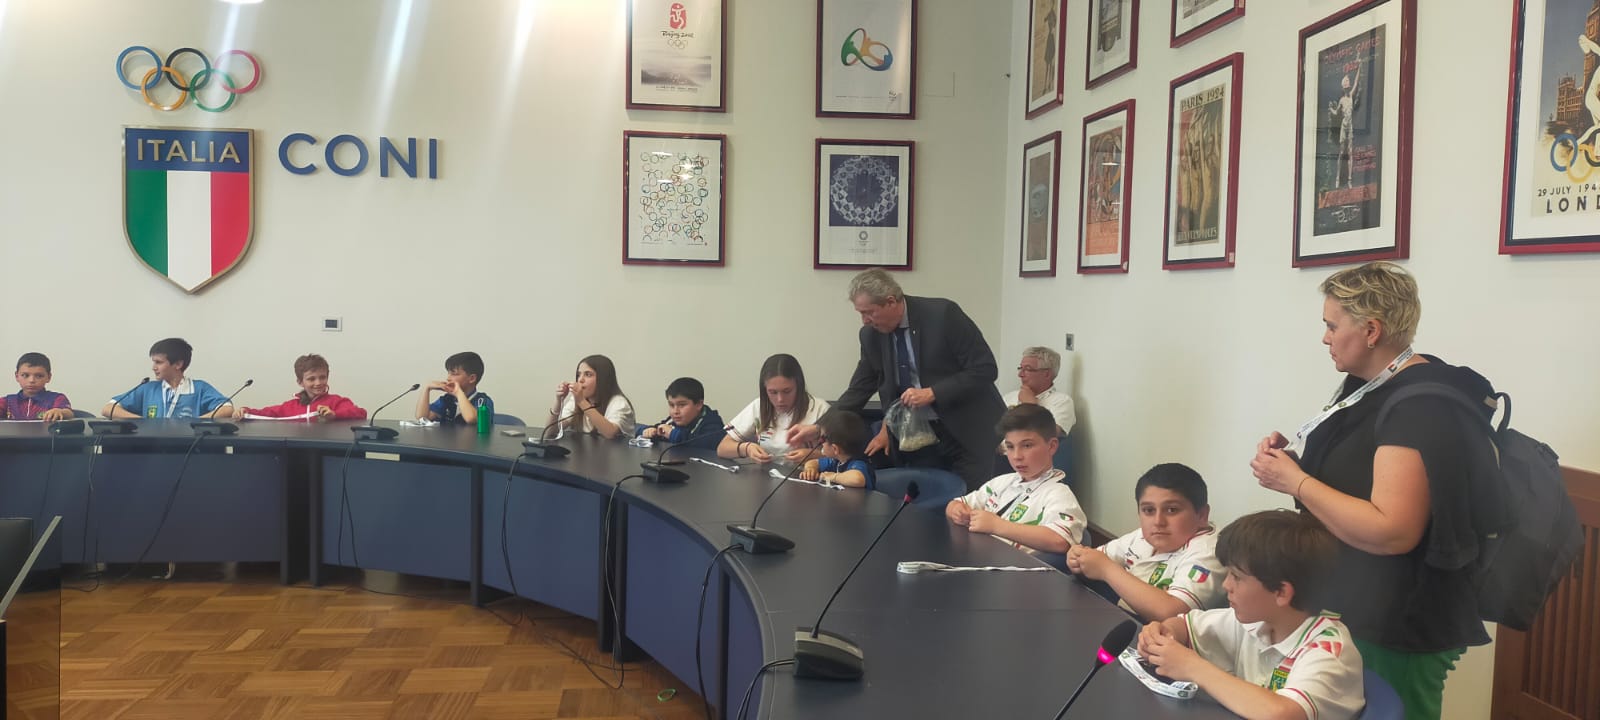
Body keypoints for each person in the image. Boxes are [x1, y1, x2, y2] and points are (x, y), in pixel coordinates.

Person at [1249, 261, 1491, 720]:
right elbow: (1355, 481)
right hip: (1355, 599)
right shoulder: (1369, 384)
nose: (1324, 338)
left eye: (1331, 326)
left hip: (1397, 619)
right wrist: (1293, 468)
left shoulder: (1420, 404)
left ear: (1372, 330)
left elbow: (1392, 531)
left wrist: (1296, 482)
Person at [1139, 510, 1365, 720]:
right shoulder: (1257, 620)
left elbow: (1282, 713)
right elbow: (1184, 626)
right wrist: (1162, 635)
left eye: (1236, 577)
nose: (1226, 585)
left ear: (1281, 592)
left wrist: (1192, 667)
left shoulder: (1329, 652)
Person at [796, 268, 1005, 491]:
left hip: (967, 432)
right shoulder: (871, 336)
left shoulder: (942, 315)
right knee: (924, 504)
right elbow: (859, 388)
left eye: (869, 312)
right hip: (919, 438)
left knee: (969, 504)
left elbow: (985, 368)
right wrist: (821, 427)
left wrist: (933, 392)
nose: (865, 321)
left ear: (891, 301)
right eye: (860, 313)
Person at [1066, 463, 1224, 621]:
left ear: (1202, 515)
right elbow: (1095, 559)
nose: (1158, 521)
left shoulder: (1210, 553)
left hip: (1165, 633)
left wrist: (1106, 569)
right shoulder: (1147, 535)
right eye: (1149, 510)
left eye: (1172, 510)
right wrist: (1078, 558)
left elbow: (1172, 613)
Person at [944, 404, 1085, 555]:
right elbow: (955, 504)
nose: (1017, 456)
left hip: (1015, 567)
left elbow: (1059, 541)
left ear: (1051, 446)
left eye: (1027, 445)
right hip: (978, 555)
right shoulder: (1001, 482)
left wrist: (997, 526)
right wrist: (957, 511)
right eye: (1010, 447)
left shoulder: (1058, 493)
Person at [719, 354, 830, 463]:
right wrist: (747, 449)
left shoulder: (820, 409)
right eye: (773, 392)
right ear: (765, 390)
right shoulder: (759, 406)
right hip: (766, 473)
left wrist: (814, 455)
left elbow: (839, 456)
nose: (780, 399)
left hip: (807, 473)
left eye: (787, 391)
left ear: (799, 386)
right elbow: (722, 448)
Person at [102, 338, 233, 419]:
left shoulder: (199, 388)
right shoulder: (148, 388)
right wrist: (141, 421)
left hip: (189, 449)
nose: (154, 367)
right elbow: (108, 409)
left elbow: (227, 408)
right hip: (152, 449)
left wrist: (197, 423)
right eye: (153, 362)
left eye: (159, 362)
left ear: (178, 364)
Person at [241, 354, 367, 421]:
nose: (318, 382)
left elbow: (361, 413)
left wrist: (335, 414)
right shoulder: (290, 406)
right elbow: (268, 413)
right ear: (300, 382)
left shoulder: (336, 401)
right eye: (311, 379)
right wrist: (246, 411)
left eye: (322, 377)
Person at [547, 354, 635, 439]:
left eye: (588, 374)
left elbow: (610, 433)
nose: (580, 380)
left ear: (603, 379)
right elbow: (551, 431)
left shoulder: (619, 402)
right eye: (579, 375)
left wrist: (581, 401)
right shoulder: (576, 400)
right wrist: (559, 401)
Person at [1002, 346, 1075, 435]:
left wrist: (1030, 405)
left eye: (1027, 369)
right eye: (1020, 368)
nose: (1020, 374)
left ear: (1047, 374)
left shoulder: (1062, 401)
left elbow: (1050, 435)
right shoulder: (1009, 397)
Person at [635, 377, 724, 449]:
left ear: (698, 404)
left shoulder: (712, 423)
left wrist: (673, 435)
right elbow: (660, 428)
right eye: (671, 405)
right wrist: (651, 431)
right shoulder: (674, 420)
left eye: (682, 405)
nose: (675, 411)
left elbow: (704, 444)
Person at [799, 410, 877, 490]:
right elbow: (813, 462)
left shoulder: (859, 463)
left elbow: (857, 479)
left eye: (822, 439)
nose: (820, 442)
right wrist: (810, 469)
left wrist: (833, 476)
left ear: (835, 449)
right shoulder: (836, 461)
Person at [416, 351, 492, 426]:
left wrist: (458, 393)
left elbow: (471, 418)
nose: (448, 378)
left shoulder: (482, 400)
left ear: (472, 378)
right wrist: (426, 388)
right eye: (448, 373)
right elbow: (422, 418)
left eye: (454, 374)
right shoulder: (448, 399)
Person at [4, 352, 73, 421]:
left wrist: (59, 411)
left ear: (48, 377)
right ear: (17, 376)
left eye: (39, 376)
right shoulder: (8, 401)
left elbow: (69, 413)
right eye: (25, 375)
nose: (31, 380)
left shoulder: (57, 398)